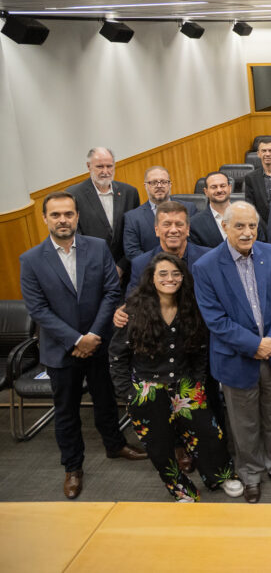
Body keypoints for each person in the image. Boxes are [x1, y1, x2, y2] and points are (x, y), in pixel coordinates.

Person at [20, 192, 147, 499]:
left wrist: (92, 336)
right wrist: (76, 340)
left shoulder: (98, 247)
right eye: (55, 215)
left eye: (68, 214)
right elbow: (38, 309)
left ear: (77, 216)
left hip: (99, 343)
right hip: (61, 350)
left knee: (106, 401)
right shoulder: (31, 260)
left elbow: (111, 292)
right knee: (66, 411)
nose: (63, 220)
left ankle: (115, 445)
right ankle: (73, 467)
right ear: (45, 219)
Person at [110, 253, 242, 501]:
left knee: (209, 434)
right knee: (159, 445)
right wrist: (128, 393)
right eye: (163, 274)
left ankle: (221, 477)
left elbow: (200, 351)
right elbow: (117, 355)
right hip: (147, 389)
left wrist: (198, 382)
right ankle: (181, 489)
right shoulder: (132, 311)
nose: (169, 279)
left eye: (175, 274)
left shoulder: (192, 308)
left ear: (183, 277)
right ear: (151, 278)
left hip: (185, 385)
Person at [192, 201, 271, 504]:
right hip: (237, 358)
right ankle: (251, 474)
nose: (247, 232)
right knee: (244, 423)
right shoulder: (206, 266)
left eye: (252, 225)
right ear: (225, 226)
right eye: (239, 225)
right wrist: (254, 345)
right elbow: (215, 320)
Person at [67, 146, 140, 279]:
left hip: (127, 271)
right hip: (93, 271)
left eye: (109, 166)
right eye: (100, 166)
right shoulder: (73, 195)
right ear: (89, 166)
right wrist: (105, 269)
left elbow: (135, 233)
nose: (105, 171)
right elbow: (76, 236)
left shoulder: (130, 192)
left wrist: (121, 266)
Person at [123, 166, 197, 260]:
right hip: (152, 267)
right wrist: (159, 266)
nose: (159, 186)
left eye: (163, 182)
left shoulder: (189, 208)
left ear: (170, 185)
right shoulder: (132, 217)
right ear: (145, 186)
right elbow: (132, 252)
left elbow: (196, 242)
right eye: (153, 182)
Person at [189, 171, 232, 248]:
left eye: (222, 186)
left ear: (230, 188)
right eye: (214, 187)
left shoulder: (248, 214)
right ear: (206, 192)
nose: (219, 190)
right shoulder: (194, 224)